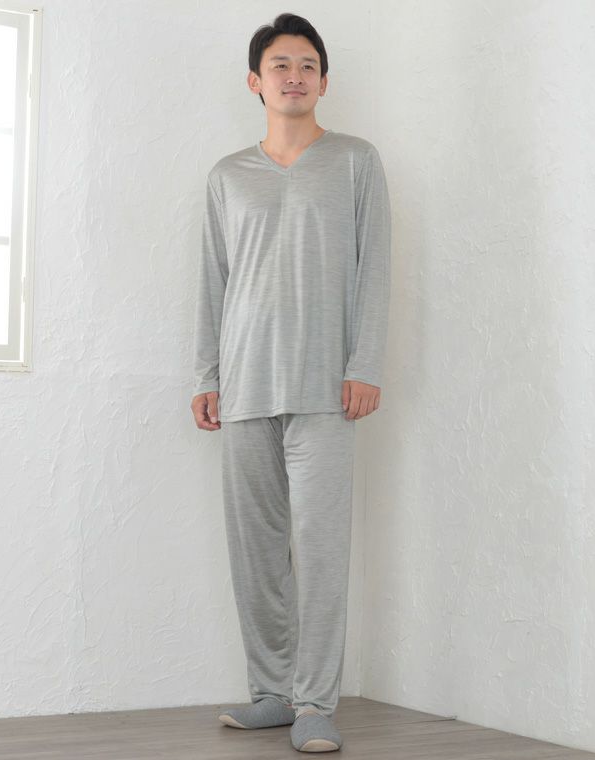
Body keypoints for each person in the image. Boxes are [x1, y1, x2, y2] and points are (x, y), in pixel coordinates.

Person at [190, 12, 391, 754]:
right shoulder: (227, 176)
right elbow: (213, 279)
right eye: (281, 65)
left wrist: (364, 365)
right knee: (256, 549)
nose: (295, 75)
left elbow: (375, 267)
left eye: (308, 65)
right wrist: (206, 374)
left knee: (321, 548)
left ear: (324, 81)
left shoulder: (356, 161)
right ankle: (272, 694)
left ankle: (314, 703)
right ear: (256, 81)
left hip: (323, 391)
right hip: (244, 388)